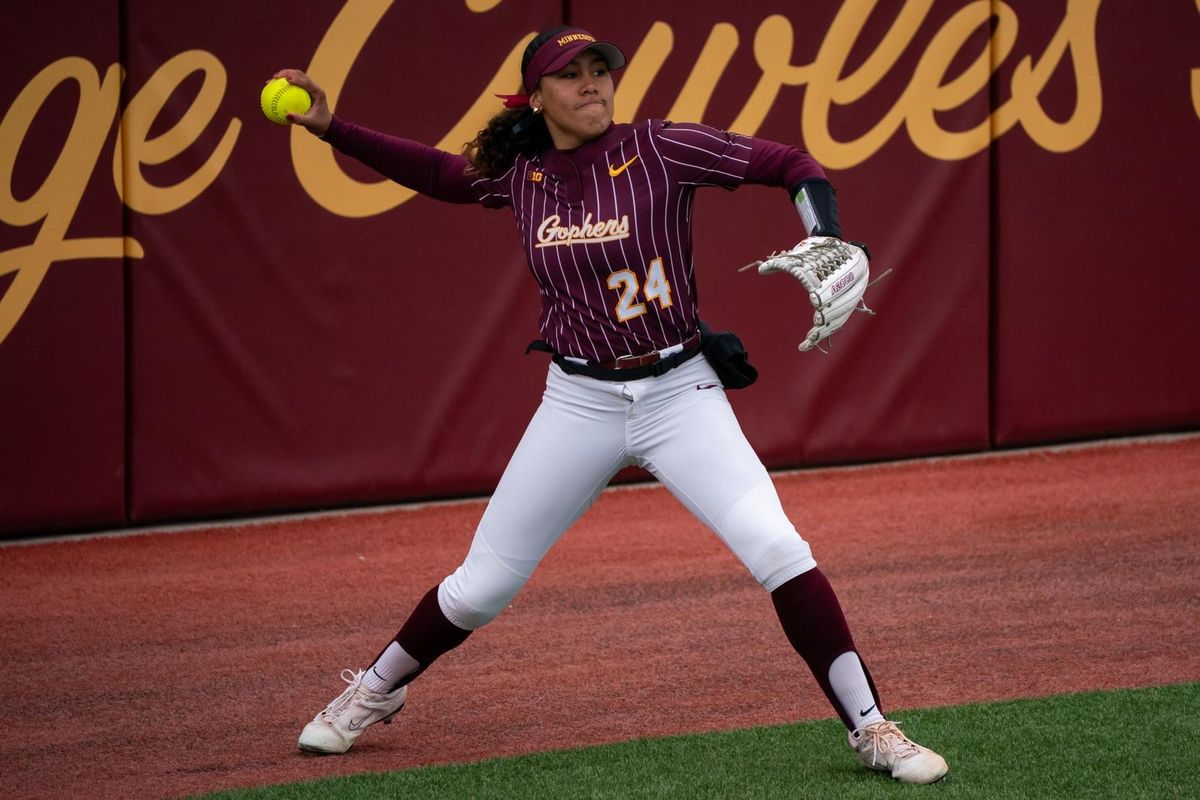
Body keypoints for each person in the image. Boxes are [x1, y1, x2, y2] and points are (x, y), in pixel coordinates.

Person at [276, 26, 949, 785]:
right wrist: (334, 127)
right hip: (578, 401)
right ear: (539, 96)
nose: (593, 83)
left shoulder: (660, 148)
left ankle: (871, 728)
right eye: (573, 75)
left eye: (602, 69)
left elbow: (791, 164)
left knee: (780, 549)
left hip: (679, 392)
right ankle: (373, 690)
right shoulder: (521, 172)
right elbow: (435, 174)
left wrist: (825, 234)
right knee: (482, 587)